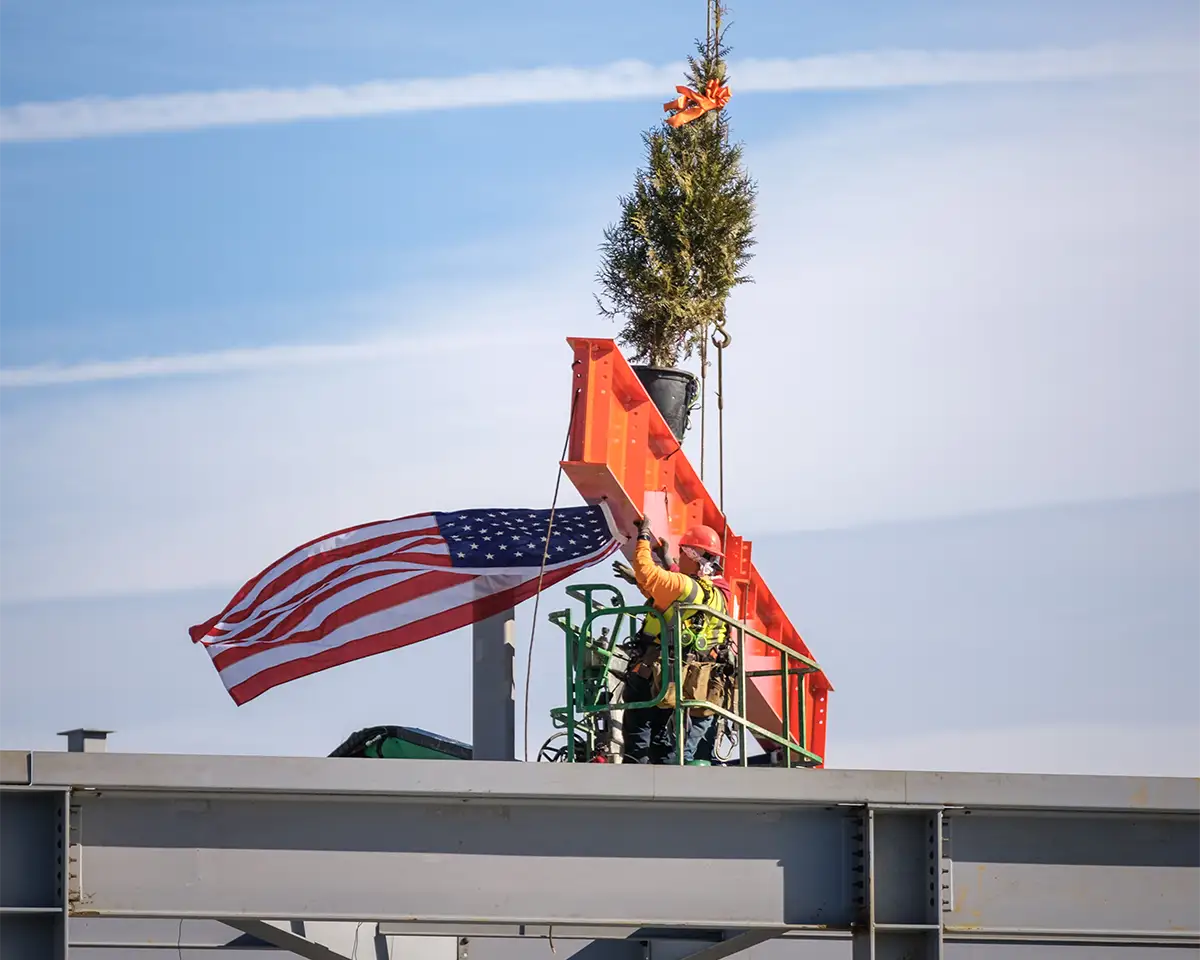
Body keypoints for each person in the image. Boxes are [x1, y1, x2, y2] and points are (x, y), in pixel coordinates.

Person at [618, 517, 734, 764]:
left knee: (639, 732)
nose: (679, 557)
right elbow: (667, 593)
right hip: (681, 679)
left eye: (683, 552)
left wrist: (644, 536)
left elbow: (647, 573)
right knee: (663, 737)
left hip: (653, 671)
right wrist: (663, 564)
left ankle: (634, 784)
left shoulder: (682, 585)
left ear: (692, 555)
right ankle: (665, 781)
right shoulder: (717, 595)